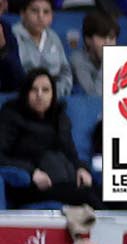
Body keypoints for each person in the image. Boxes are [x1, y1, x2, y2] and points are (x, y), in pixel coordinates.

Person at [0, 71, 93, 209]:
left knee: (111, 195)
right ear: (26, 93)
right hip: (32, 185)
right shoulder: (11, 115)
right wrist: (31, 172)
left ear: (52, 94)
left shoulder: (59, 117)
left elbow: (71, 152)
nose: (39, 95)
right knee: (87, 197)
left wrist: (81, 168)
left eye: (45, 90)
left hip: (65, 179)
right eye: (34, 89)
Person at [12, 0, 72, 99]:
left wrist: (54, 93)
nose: (40, 17)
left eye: (46, 12)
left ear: (52, 16)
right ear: (23, 14)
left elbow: (65, 72)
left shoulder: (54, 37)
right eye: (34, 11)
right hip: (21, 97)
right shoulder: (12, 36)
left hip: (54, 97)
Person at [68, 11, 117, 99]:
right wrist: (107, 62)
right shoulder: (77, 59)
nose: (108, 42)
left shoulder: (120, 58)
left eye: (112, 37)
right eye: (102, 37)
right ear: (88, 40)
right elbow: (94, 97)